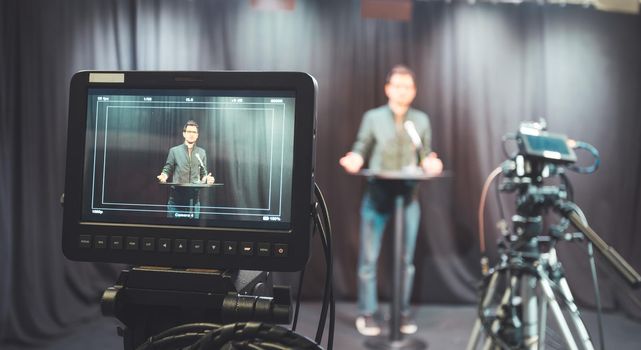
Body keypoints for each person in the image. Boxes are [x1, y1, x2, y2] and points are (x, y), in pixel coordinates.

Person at [339, 65, 443, 336]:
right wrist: (354, 159)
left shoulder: (420, 120)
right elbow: (361, 148)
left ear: (414, 91)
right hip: (377, 197)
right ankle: (368, 312)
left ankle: (402, 311)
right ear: (387, 89)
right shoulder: (373, 118)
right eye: (397, 86)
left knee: (406, 261)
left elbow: (426, 155)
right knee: (369, 259)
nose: (402, 91)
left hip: (408, 198)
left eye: (407, 87)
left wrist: (431, 164)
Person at [157, 120, 215, 219]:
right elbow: (168, 169)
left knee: (193, 233)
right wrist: (163, 176)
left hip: (193, 203)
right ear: (184, 134)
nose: (191, 134)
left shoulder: (201, 152)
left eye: (194, 132)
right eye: (189, 132)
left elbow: (203, 174)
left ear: (197, 135)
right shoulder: (174, 151)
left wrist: (207, 179)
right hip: (175, 203)